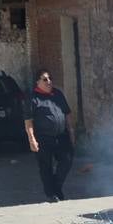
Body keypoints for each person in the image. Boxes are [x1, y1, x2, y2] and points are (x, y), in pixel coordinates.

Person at [23, 69, 74, 203]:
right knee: (46, 167)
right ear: (37, 82)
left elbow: (67, 113)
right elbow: (28, 121)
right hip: (43, 138)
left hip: (61, 136)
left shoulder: (57, 94)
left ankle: (56, 187)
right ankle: (51, 194)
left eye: (50, 78)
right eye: (45, 79)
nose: (49, 81)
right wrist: (31, 139)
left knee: (67, 160)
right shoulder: (33, 98)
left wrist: (71, 131)